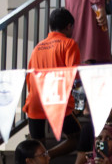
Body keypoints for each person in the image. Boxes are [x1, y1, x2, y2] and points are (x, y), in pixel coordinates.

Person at [23, 9, 81, 151]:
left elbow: (29, 78)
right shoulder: (69, 44)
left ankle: (43, 159)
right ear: (68, 26)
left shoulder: (37, 47)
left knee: (37, 148)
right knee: (78, 137)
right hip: (57, 102)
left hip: (35, 102)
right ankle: (49, 156)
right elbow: (74, 76)